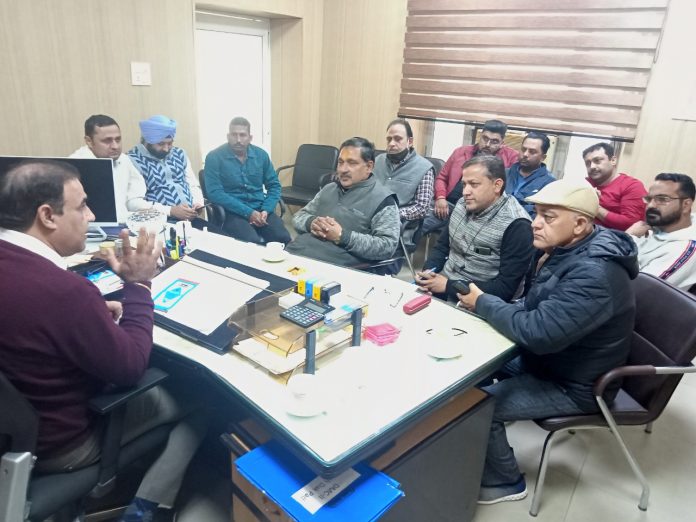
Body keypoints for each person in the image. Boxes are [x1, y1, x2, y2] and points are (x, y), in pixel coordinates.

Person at [0, 160, 208, 521]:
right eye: (82, 206)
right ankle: (147, 506)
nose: (92, 215)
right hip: (65, 443)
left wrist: (91, 311)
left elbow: (32, 321)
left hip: (14, 432)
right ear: (48, 216)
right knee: (202, 395)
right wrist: (140, 285)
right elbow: (129, 367)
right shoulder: (63, 292)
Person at [457, 179, 638, 505]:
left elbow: (539, 334)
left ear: (581, 224)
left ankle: (505, 481)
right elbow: (533, 308)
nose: (535, 223)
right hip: (553, 360)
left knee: (478, 407)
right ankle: (475, 444)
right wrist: (489, 309)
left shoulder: (594, 274)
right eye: (536, 213)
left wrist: (483, 303)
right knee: (467, 361)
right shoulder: (566, 249)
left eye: (548, 216)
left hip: (575, 384)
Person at [416, 155, 533, 302]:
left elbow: (505, 289)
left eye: (474, 184)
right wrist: (428, 273)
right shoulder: (461, 204)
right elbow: (442, 247)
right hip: (444, 285)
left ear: (497, 185)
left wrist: (448, 286)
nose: (465, 192)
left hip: (481, 301)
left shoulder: (517, 225)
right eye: (464, 184)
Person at [286, 137, 400, 267]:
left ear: (369, 166)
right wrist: (311, 223)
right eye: (340, 162)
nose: (343, 169)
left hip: (334, 267)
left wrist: (342, 236)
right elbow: (298, 217)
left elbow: (387, 246)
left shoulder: (383, 200)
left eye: (352, 163)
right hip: (298, 254)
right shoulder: (329, 189)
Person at [422, 119, 519, 235]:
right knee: (418, 222)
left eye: (494, 141)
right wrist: (441, 198)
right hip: (447, 205)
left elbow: (506, 189)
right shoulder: (460, 152)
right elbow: (442, 178)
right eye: (485, 138)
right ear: (480, 136)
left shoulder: (511, 158)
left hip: (478, 211)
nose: (487, 145)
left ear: (502, 142)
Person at [203, 117, 291, 244]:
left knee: (283, 238)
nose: (238, 140)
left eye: (243, 135)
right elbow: (214, 193)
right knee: (252, 243)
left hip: (261, 209)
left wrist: (266, 210)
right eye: (234, 135)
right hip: (232, 212)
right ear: (228, 136)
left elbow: (274, 186)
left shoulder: (261, 155)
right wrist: (248, 212)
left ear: (250, 137)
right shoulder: (214, 157)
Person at [70, 114, 152, 223]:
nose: (115, 146)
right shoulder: (72, 167)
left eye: (118, 140)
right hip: (91, 230)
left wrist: (159, 212)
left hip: (124, 225)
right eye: (107, 141)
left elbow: (133, 199)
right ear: (89, 141)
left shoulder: (124, 160)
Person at [626, 173, 696, 290]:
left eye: (662, 199)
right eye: (649, 199)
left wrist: (626, 238)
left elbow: (639, 289)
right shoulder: (653, 227)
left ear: (686, 205)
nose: (650, 206)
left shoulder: (686, 249)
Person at [128, 115, 204, 222]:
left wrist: (198, 203)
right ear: (147, 141)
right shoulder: (133, 160)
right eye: (161, 144)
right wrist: (171, 211)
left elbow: (193, 185)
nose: (166, 148)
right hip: (160, 223)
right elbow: (133, 203)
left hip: (190, 220)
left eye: (170, 143)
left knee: (222, 237)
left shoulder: (179, 154)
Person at [373, 118, 434, 250]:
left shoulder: (424, 168)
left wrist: (390, 213)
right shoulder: (378, 161)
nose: (392, 144)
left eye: (397, 139)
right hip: (367, 219)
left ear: (410, 141)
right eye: (389, 139)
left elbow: (422, 208)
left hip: (397, 225)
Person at [583, 142, 647, 231]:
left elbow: (630, 224)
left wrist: (595, 206)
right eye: (588, 163)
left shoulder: (631, 186)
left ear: (613, 160)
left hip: (613, 241)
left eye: (597, 161)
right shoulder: (584, 184)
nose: (592, 166)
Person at [504, 131, 555, 218]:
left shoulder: (550, 184)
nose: (525, 154)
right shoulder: (503, 173)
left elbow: (542, 214)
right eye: (523, 149)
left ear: (543, 157)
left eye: (532, 152)